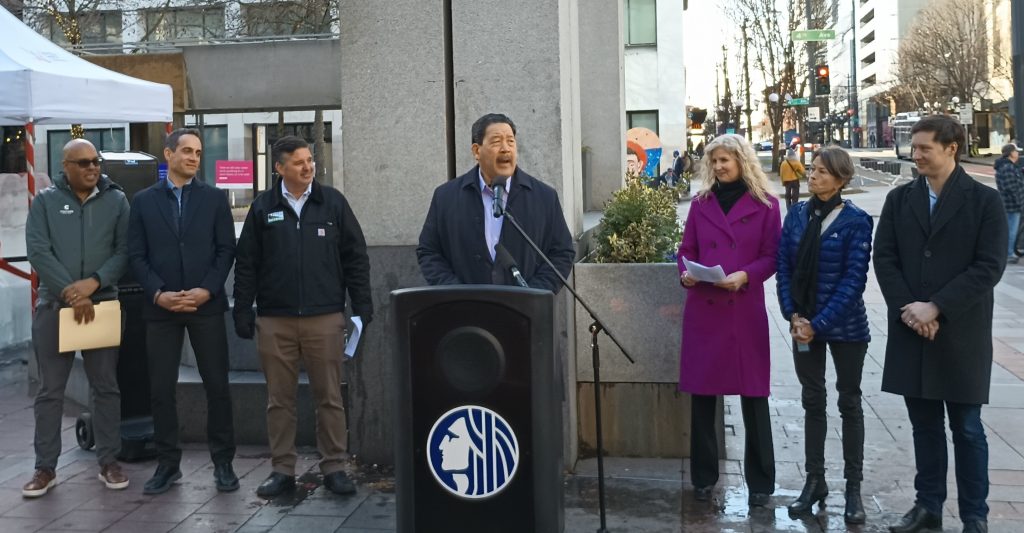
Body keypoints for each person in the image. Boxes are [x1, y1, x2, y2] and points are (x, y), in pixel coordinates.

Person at [874, 114, 1006, 533]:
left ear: (951, 148)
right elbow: (886, 259)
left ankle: (974, 517)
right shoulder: (899, 200)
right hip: (912, 330)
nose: (915, 156)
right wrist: (911, 310)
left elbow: (989, 267)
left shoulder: (985, 201)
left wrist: (938, 307)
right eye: (913, 148)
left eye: (924, 148)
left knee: (967, 428)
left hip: (961, 332)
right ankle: (928, 507)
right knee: (924, 427)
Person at [233, 135, 373, 498]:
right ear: (279, 168)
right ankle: (282, 469)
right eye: (299, 162)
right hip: (275, 321)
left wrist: (362, 305)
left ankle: (335, 467)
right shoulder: (263, 207)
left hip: (324, 318)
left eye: (310, 160)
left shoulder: (333, 204)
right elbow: (247, 262)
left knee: (329, 396)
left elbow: (355, 257)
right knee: (280, 400)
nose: (308, 167)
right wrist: (242, 308)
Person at [126, 128, 238, 495]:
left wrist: (206, 289)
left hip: (205, 306)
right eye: (186, 151)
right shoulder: (143, 201)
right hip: (161, 309)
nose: (193, 157)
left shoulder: (215, 199)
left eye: (198, 152)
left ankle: (223, 463)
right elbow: (136, 255)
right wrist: (158, 294)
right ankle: (167, 465)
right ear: (168, 154)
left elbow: (226, 250)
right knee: (160, 390)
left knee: (217, 386)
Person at [677, 133, 781, 508]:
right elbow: (686, 250)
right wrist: (685, 272)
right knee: (704, 397)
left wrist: (745, 275)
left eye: (726, 160)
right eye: (715, 161)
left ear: (741, 161)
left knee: (754, 396)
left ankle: (761, 482)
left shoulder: (767, 205)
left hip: (742, 308)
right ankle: (703, 479)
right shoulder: (700, 203)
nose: (719, 167)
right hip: (705, 308)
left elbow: (772, 255)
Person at [23, 139, 130, 497]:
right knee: (50, 392)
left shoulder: (116, 200)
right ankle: (45, 469)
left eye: (96, 161)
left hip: (101, 306)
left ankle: (109, 462)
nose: (92, 168)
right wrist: (71, 292)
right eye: (83, 162)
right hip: (56, 309)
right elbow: (38, 250)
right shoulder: (45, 202)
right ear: (65, 166)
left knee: (106, 387)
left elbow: (125, 250)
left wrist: (94, 283)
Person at [775, 147, 872, 524]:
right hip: (803, 324)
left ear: (841, 179)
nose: (812, 176)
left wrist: (819, 322)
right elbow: (784, 265)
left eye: (820, 171)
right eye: (811, 170)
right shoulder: (796, 216)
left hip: (846, 328)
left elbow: (853, 282)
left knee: (849, 402)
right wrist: (793, 314)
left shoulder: (857, 221)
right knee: (813, 401)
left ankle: (853, 487)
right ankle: (815, 480)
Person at [417, 113, 575, 292]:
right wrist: (455, 292)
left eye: (511, 141)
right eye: (496, 142)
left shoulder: (543, 197)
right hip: (465, 312)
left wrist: (535, 295)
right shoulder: (446, 197)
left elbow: (562, 253)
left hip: (525, 313)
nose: (506, 149)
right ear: (477, 151)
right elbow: (429, 251)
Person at [994, 143, 1024, 264]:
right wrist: (1020, 203)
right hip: (1012, 205)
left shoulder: (1008, 166)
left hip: (1010, 204)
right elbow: (1012, 188)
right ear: (1011, 153)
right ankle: (1009, 254)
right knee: (1011, 229)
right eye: (1016, 151)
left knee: (1010, 229)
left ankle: (1009, 252)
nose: (1018, 154)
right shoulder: (1007, 168)